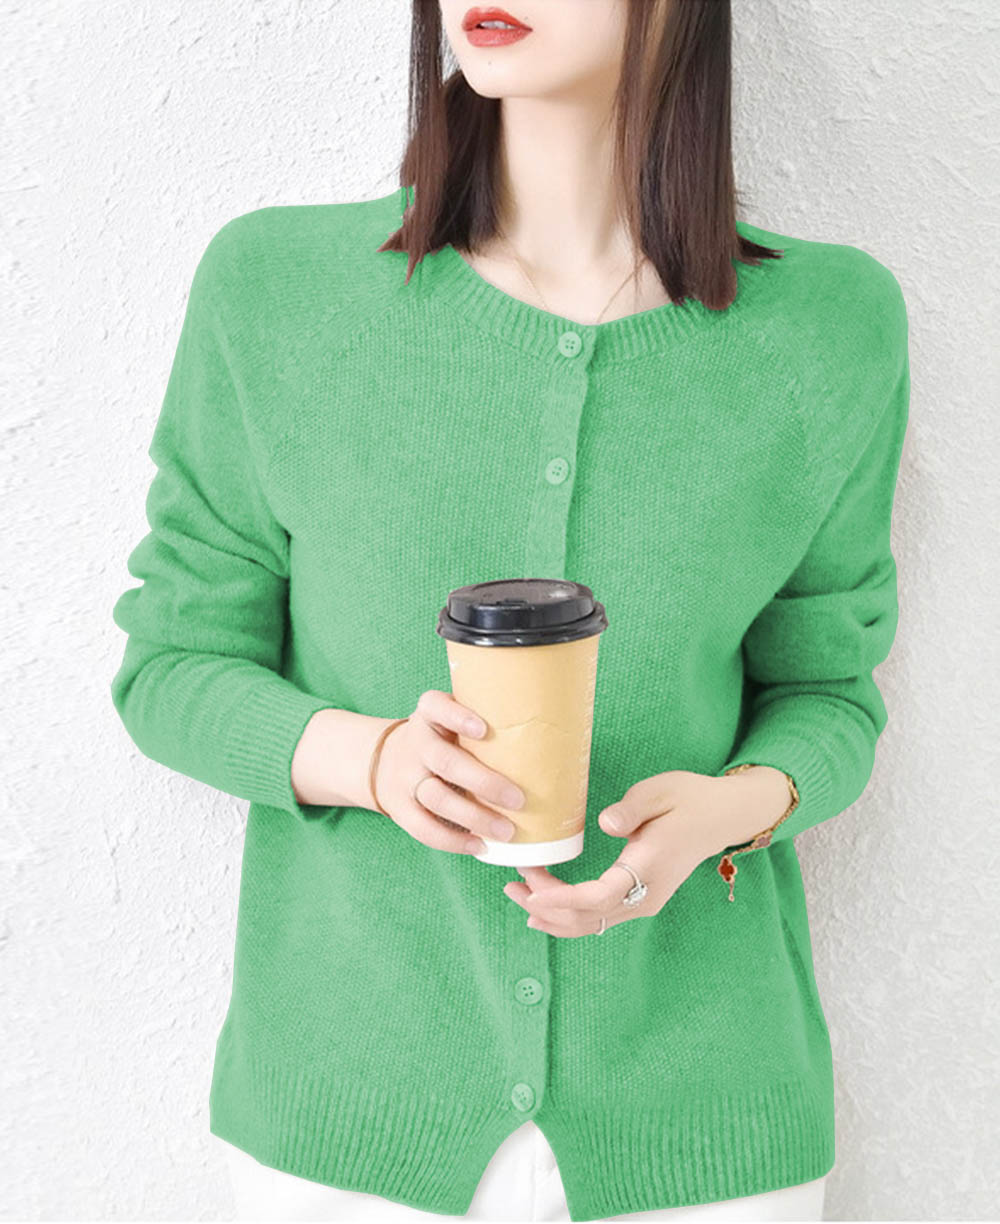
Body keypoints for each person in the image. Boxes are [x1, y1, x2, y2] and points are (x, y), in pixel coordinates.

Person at [109, 0, 910, 1220]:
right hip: (348, 1125)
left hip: (704, 1128)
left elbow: (828, 693)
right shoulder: (276, 291)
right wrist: (378, 761)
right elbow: (173, 665)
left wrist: (731, 811)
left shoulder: (831, 327)